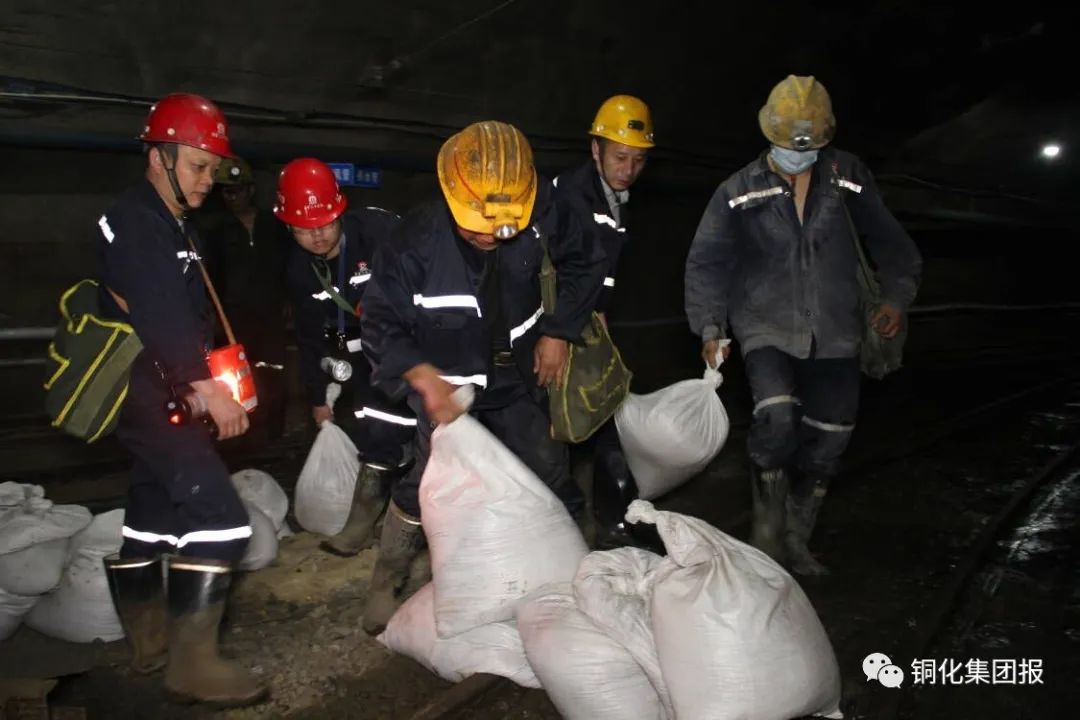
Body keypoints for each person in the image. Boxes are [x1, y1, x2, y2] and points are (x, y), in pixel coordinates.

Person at [360, 120, 605, 633]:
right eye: (478, 224)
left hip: (519, 379)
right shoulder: (412, 243)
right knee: (425, 485)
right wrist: (421, 376)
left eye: (504, 225)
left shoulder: (545, 209)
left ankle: (573, 566)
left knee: (547, 467)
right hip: (447, 388)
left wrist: (559, 330)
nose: (492, 234)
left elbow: (585, 262)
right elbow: (380, 323)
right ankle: (388, 576)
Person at [684, 75, 922, 575]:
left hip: (836, 330)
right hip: (765, 327)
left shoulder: (848, 177)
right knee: (776, 422)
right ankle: (768, 539)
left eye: (808, 146)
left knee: (830, 438)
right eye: (789, 145)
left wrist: (895, 299)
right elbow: (707, 263)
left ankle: (797, 538)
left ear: (825, 138)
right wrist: (710, 327)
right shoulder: (738, 191)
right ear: (769, 134)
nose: (797, 155)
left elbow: (894, 246)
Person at [97, 93, 267, 706]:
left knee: (150, 516)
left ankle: (149, 645)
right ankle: (192, 667)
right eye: (197, 166)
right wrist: (207, 388)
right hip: (155, 395)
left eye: (212, 169)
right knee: (223, 521)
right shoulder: (138, 222)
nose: (207, 180)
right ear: (158, 156)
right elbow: (160, 312)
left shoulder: (171, 222)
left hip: (159, 394)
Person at [275, 157, 416, 556]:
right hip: (363, 358)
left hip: (411, 345)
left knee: (427, 433)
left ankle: (416, 517)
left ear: (339, 212)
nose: (317, 235)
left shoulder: (380, 233)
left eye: (324, 223)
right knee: (376, 430)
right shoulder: (299, 270)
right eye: (305, 228)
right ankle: (365, 523)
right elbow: (308, 338)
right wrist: (318, 398)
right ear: (289, 227)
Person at [553, 94, 656, 550]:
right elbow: (563, 270)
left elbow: (601, 272)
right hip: (559, 326)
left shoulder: (615, 199)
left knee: (600, 417)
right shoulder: (571, 196)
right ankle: (584, 526)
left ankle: (609, 521)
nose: (628, 168)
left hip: (586, 323)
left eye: (638, 160)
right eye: (620, 157)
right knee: (564, 426)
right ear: (595, 149)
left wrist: (600, 313)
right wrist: (557, 333)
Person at [205, 157, 291, 444]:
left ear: (250, 190)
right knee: (240, 379)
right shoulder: (218, 231)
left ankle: (274, 437)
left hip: (271, 314)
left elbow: (288, 264)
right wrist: (215, 315)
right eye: (226, 192)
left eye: (237, 190)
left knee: (275, 374)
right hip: (236, 318)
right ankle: (243, 436)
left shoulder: (273, 225)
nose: (232, 197)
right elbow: (211, 276)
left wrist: (288, 299)